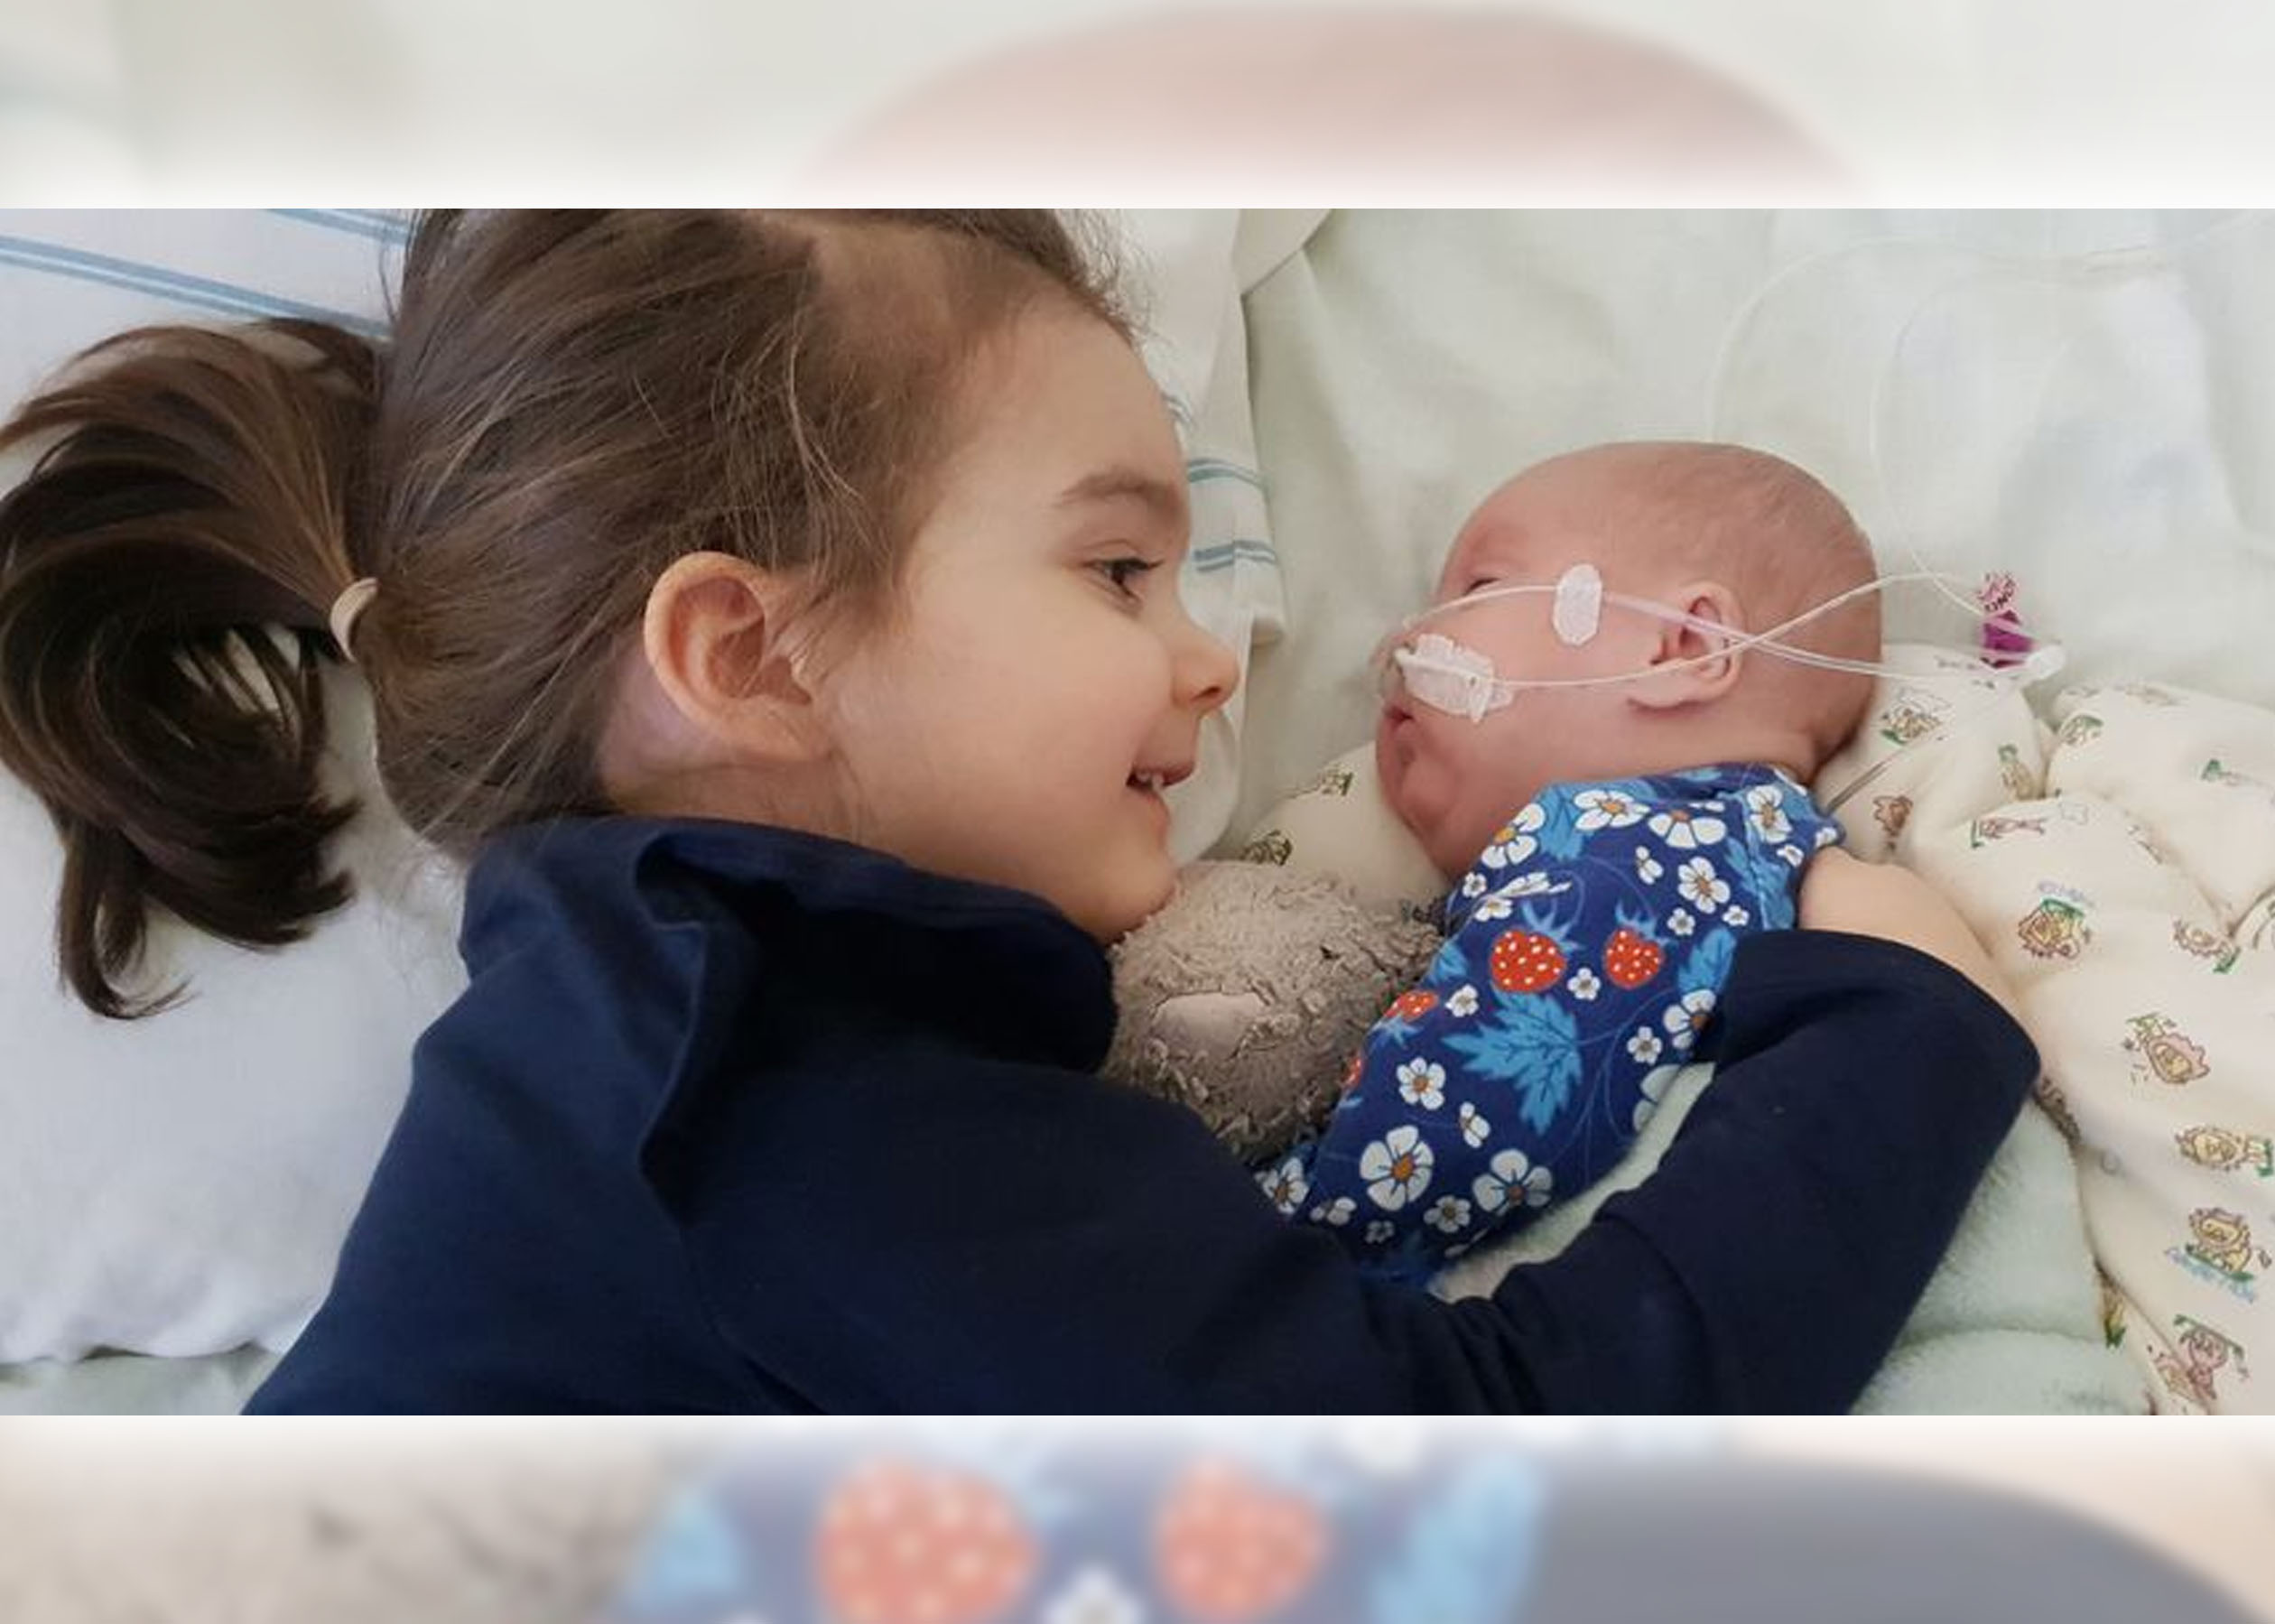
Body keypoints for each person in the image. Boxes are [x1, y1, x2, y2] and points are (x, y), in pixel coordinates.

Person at [0, 210, 2032, 1413]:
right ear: (751, 655)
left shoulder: (661, 1039)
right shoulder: (785, 1111)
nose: (1217, 660)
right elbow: (1496, 1477)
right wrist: (1903, 1029)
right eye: (1117, 569)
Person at [1276, 442, 1895, 1280]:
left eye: (1479, 588)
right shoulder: (1726, 848)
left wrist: (1255, 1233)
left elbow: (1457, 1124)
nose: (1409, 640)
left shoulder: (1642, 851)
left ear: (1685, 647)